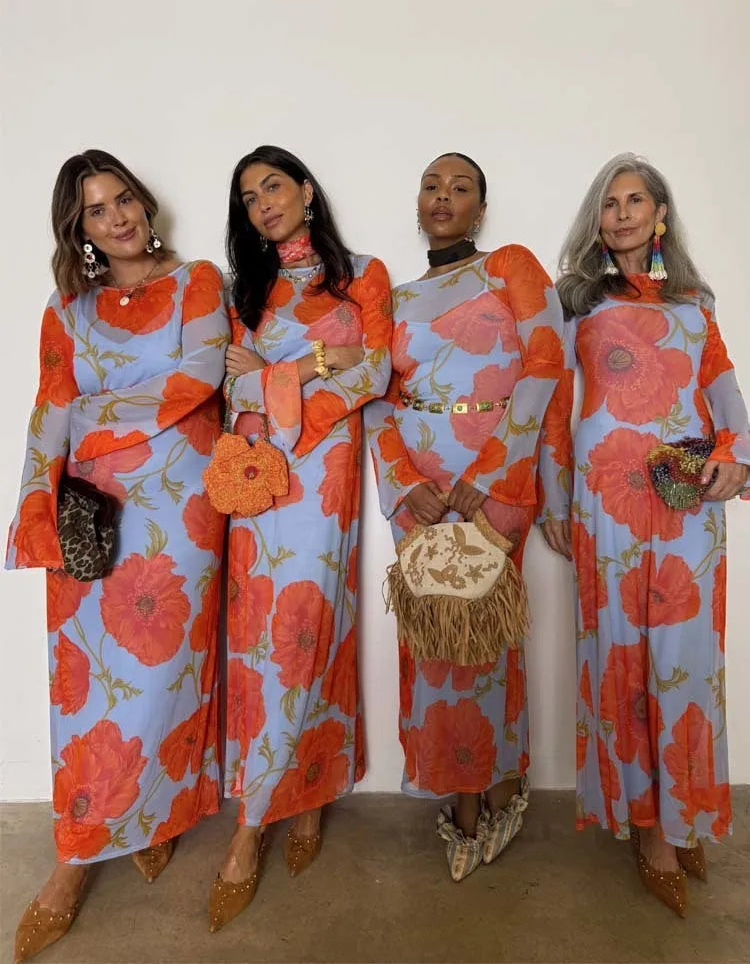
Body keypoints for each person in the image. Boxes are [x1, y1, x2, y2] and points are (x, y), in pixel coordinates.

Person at [6, 150, 228, 963]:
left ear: (143, 200)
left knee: (167, 674)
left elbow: (198, 377)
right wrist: (34, 500)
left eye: (123, 197)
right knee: (85, 685)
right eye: (97, 210)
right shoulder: (65, 311)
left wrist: (93, 418)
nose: (118, 216)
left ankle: (155, 815)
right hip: (91, 516)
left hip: (181, 514)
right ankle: (73, 858)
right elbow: (48, 409)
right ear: (82, 230)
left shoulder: (198, 283)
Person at [538, 153, 749, 916]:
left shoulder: (697, 301)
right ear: (597, 220)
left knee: (686, 663)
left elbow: (724, 394)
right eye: (610, 202)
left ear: (660, 214)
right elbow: (555, 406)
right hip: (606, 503)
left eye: (637, 200)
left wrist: (737, 458)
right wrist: (555, 497)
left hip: (686, 499)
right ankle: (647, 828)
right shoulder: (575, 301)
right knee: (623, 659)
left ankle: (686, 808)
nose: (623, 212)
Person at [366, 152, 564, 880]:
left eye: (461, 187)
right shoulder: (395, 294)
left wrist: (493, 468)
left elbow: (547, 360)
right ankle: (459, 789)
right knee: (434, 640)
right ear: (416, 203)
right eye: (431, 185)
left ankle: (495, 786)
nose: (443, 196)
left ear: (481, 207)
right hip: (419, 489)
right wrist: (402, 480)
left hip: (494, 480)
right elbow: (378, 398)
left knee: (485, 635)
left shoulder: (509, 264)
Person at [210, 145, 392, 931]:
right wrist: (324, 364)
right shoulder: (242, 290)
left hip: (323, 476)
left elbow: (379, 371)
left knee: (311, 629)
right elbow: (229, 385)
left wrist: (293, 373)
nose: (263, 204)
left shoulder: (362, 276)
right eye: (249, 197)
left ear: (306, 189)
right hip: (255, 479)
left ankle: (308, 786)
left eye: (273, 185)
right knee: (256, 640)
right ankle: (257, 813)